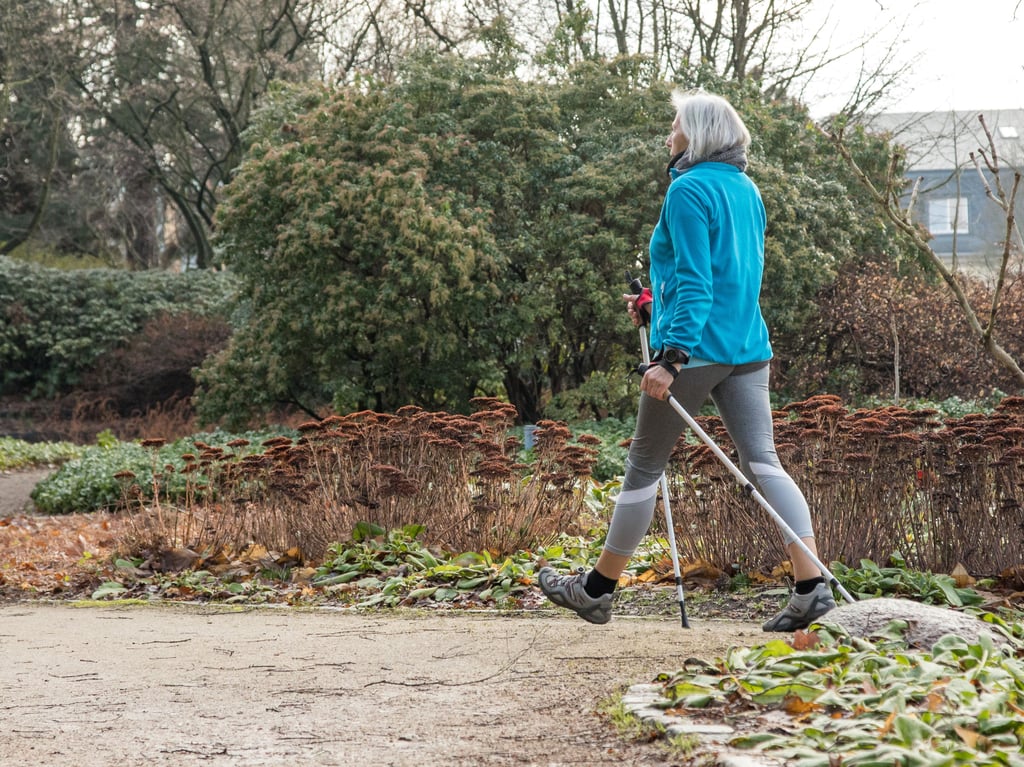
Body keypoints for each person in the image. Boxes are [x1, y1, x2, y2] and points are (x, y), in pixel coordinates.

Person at [537, 89, 836, 632]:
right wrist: (656, 304)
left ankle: (596, 591)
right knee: (764, 463)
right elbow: (726, 276)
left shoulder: (687, 190)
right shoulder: (746, 189)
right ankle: (811, 586)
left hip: (694, 353)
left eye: (675, 124)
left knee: (643, 468)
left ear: (696, 134)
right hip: (747, 347)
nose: (669, 134)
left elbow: (699, 283)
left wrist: (671, 358)